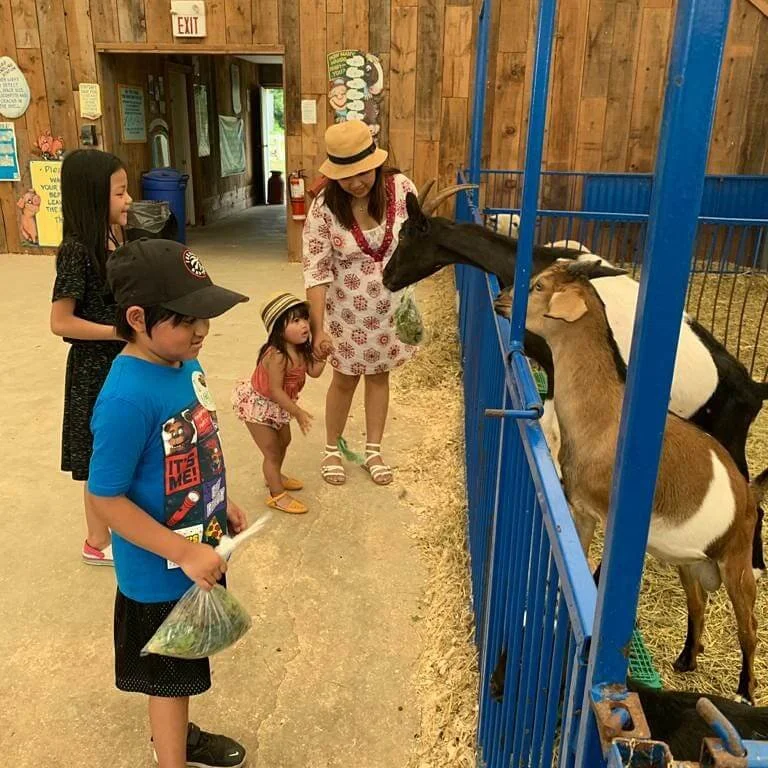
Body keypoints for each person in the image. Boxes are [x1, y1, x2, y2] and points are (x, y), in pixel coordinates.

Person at [87, 238, 250, 768]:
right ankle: (171, 756)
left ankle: (176, 737)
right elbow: (105, 497)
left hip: (196, 551)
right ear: (138, 318)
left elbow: (192, 447)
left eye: (205, 316)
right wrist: (181, 552)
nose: (202, 329)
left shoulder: (182, 363)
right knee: (170, 682)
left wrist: (220, 501)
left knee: (181, 674)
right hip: (160, 575)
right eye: (186, 319)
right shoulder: (126, 398)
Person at [303, 120, 417, 487]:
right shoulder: (324, 207)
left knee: (379, 376)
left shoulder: (401, 189)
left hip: (390, 309)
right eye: (345, 176)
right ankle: (332, 449)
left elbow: (419, 240)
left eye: (362, 172)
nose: (355, 182)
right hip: (347, 311)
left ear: (376, 162)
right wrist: (318, 328)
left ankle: (373, 450)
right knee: (344, 379)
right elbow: (316, 270)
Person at [50, 149, 131, 565]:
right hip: (93, 370)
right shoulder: (77, 251)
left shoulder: (115, 237)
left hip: (121, 362)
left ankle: (123, 528)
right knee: (102, 455)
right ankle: (96, 541)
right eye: (120, 192)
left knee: (123, 447)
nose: (129, 199)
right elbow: (60, 321)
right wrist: (118, 332)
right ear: (94, 197)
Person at [232, 292, 326, 514]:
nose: (304, 325)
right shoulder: (277, 356)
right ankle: (276, 495)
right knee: (272, 451)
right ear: (278, 329)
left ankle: (273, 475)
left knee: (285, 440)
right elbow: (275, 391)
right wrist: (298, 412)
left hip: (279, 405)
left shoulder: (301, 349)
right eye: (295, 321)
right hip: (260, 406)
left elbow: (314, 372)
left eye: (304, 319)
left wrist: (323, 356)